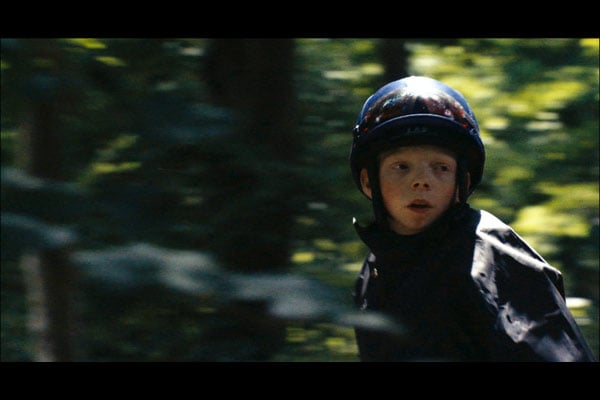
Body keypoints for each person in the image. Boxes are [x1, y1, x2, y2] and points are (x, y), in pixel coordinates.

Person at [349, 75, 596, 362]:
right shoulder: (374, 272)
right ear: (369, 182)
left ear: (461, 183)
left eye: (440, 168)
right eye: (401, 167)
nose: (421, 181)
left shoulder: (497, 262)